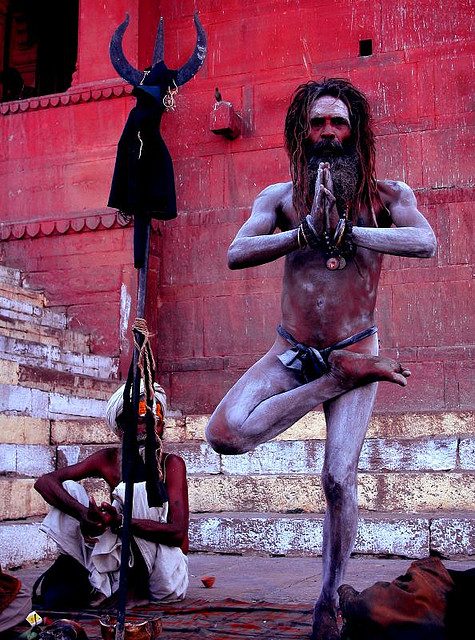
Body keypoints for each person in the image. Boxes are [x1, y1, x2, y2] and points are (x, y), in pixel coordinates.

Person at [205, 78, 436, 640]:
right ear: (301, 132)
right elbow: (236, 252)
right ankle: (334, 381)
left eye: (338, 122)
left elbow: (425, 242)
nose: (328, 133)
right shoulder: (280, 199)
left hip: (356, 346)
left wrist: (350, 233)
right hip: (291, 351)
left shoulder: (388, 198)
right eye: (317, 123)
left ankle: (329, 598)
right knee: (223, 435)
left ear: (356, 131)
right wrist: (302, 235)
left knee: (337, 478)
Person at [34, 383, 189, 609]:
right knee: (67, 489)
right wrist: (84, 515)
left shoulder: (171, 464)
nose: (144, 429)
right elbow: (44, 482)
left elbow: (178, 534)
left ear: (161, 426)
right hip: (118, 562)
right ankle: (82, 573)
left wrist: (121, 522)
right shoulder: (107, 459)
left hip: (162, 573)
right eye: (135, 422)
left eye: (151, 421)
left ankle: (135, 589)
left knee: (135, 491)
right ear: (120, 429)